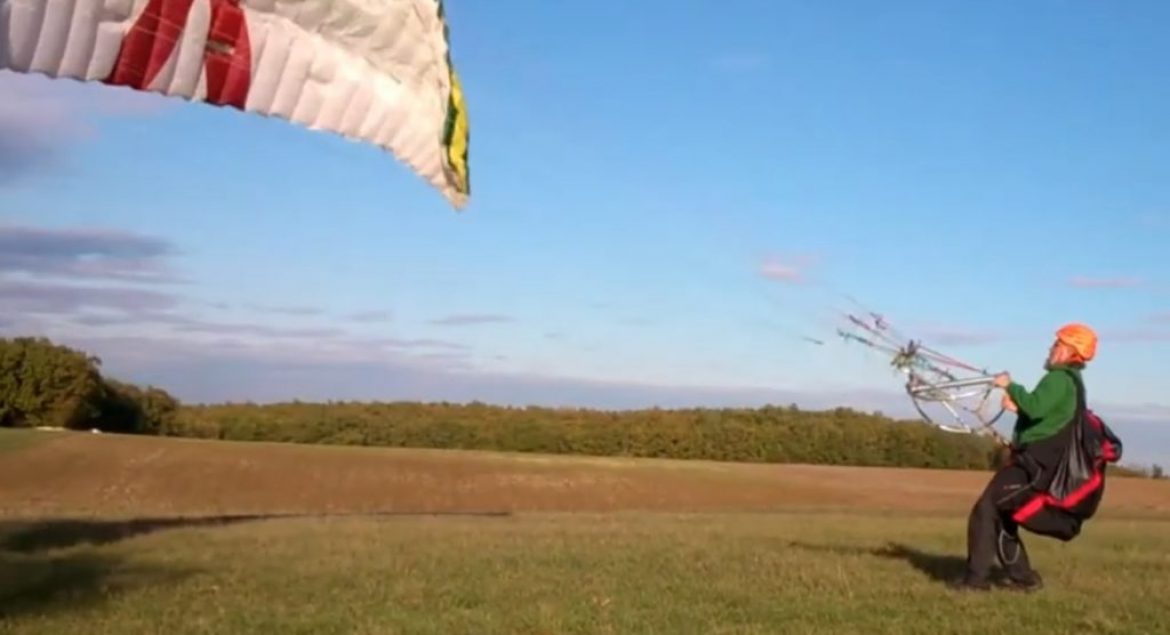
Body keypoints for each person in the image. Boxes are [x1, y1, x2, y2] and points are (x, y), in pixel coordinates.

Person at [949, 323, 1098, 592]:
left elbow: (1036, 406)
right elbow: (1045, 417)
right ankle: (1024, 579)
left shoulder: (1060, 379)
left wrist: (1010, 386)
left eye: (1056, 345)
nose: (1050, 349)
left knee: (986, 509)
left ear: (1068, 351)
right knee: (1003, 516)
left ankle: (975, 582)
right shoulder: (1069, 383)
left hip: (1035, 468)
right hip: (1036, 465)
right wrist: (1019, 408)